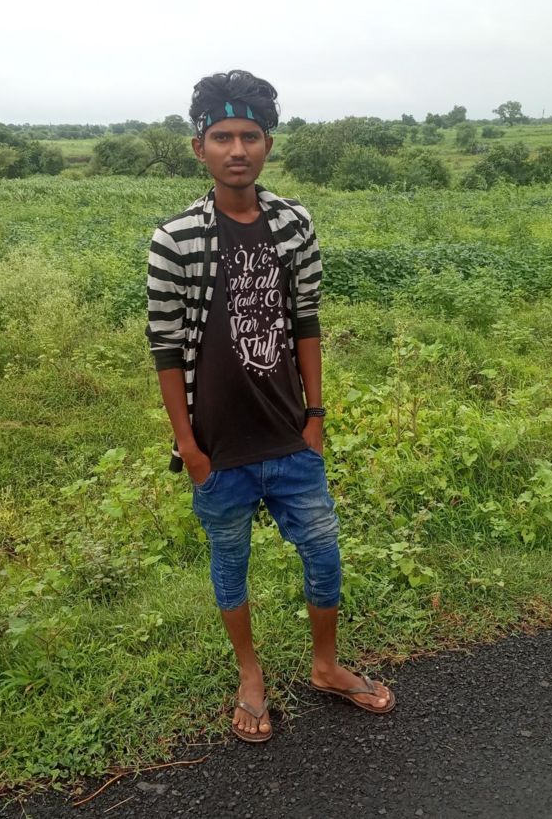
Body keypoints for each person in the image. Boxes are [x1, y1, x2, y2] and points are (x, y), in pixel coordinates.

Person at [145, 70, 395, 743]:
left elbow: (306, 319)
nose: (237, 149)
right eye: (222, 136)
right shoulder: (176, 238)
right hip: (217, 445)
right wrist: (189, 448)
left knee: (323, 551)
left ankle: (326, 665)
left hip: (290, 436)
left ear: (268, 145)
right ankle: (250, 675)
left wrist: (316, 416)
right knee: (230, 564)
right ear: (199, 147)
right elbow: (165, 348)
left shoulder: (293, 224)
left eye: (249, 136)